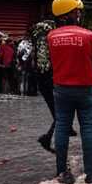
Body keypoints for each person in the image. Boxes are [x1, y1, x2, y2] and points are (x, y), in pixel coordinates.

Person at [47, 0, 92, 184]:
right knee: (88, 130)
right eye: (77, 11)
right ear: (70, 13)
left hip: (61, 90)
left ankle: (62, 172)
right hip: (85, 90)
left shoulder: (51, 37)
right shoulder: (89, 35)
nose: (80, 15)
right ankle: (90, 176)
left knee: (62, 128)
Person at [30, 18, 57, 153]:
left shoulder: (37, 39)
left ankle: (49, 137)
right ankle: (47, 138)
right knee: (59, 114)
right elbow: (44, 64)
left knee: (58, 113)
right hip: (48, 80)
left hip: (43, 81)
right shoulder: (44, 40)